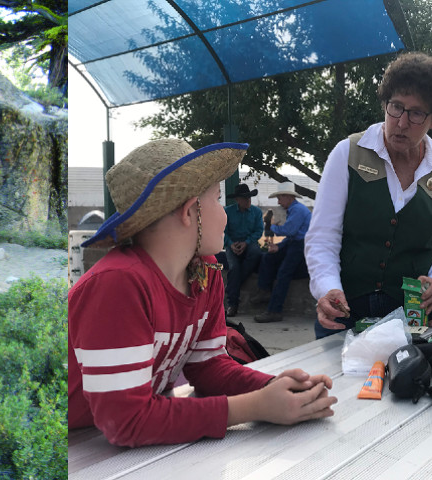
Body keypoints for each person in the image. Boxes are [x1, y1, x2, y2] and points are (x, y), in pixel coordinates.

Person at [67, 139, 335, 448]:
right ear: (188, 211)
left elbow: (209, 368)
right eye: (218, 200)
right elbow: (126, 421)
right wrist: (256, 406)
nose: (225, 215)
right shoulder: (118, 285)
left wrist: (277, 388)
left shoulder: (206, 273)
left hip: (118, 446)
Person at [305, 52, 432, 339]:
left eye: (416, 113)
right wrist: (327, 287)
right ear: (385, 102)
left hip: (415, 312)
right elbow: (323, 237)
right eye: (396, 107)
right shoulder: (347, 153)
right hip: (347, 306)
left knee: (409, 382)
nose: (402, 122)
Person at [254, 182, 311, 323]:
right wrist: (279, 246)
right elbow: (293, 235)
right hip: (296, 243)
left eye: (280, 198)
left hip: (302, 246)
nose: (279, 202)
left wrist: (272, 226)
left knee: (283, 274)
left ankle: (275, 310)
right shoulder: (295, 209)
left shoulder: (297, 210)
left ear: (288, 197)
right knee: (268, 258)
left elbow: (289, 231)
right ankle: (264, 291)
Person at [220, 183, 263, 317]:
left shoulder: (257, 212)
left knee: (256, 253)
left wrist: (246, 242)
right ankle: (232, 304)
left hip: (249, 244)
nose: (248, 201)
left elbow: (258, 231)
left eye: (249, 198)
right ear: (238, 200)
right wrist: (231, 244)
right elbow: (222, 232)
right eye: (245, 199)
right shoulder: (227, 211)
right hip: (232, 244)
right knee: (233, 267)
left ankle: (232, 287)